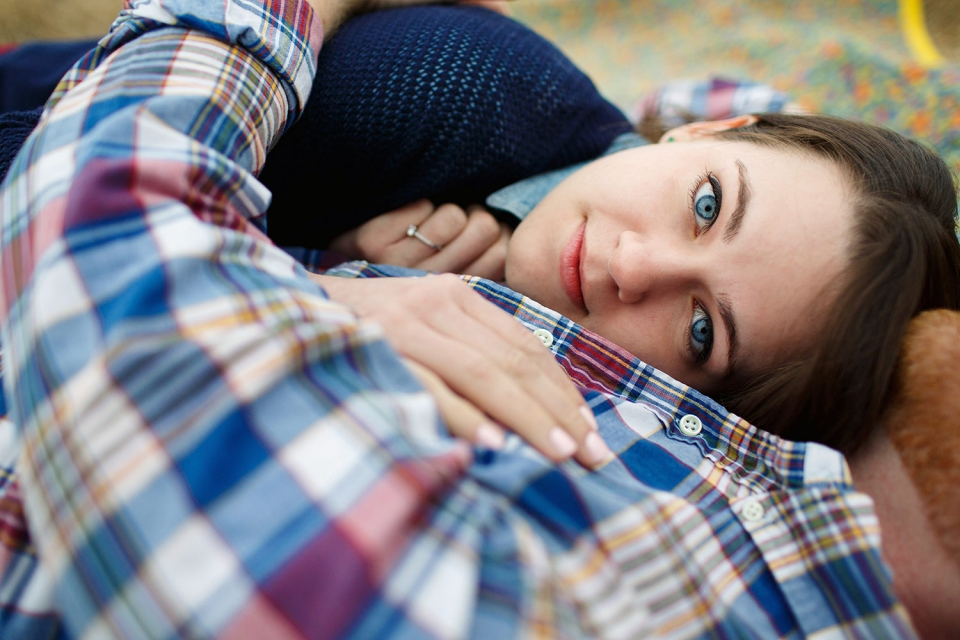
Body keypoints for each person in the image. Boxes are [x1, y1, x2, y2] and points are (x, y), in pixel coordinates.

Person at [0, 0, 958, 638]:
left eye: (702, 329)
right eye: (706, 205)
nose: (635, 267)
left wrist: (313, 290)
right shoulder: (488, 87)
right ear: (709, 133)